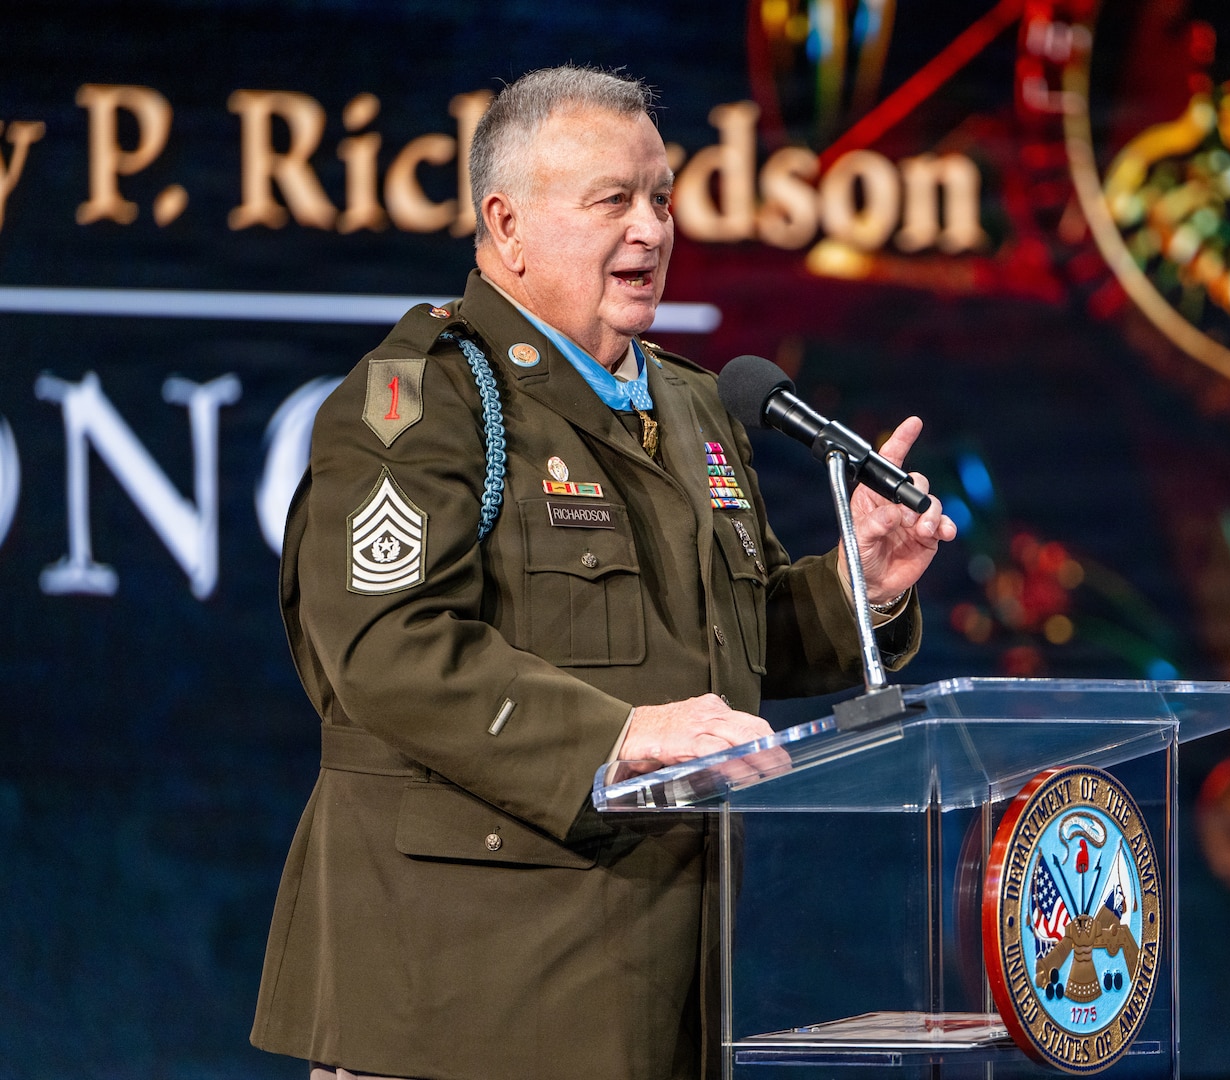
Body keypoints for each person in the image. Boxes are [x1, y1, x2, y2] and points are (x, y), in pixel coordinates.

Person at [249, 66, 955, 1080]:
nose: (652, 229)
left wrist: (863, 586)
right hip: (455, 1006)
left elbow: (720, 650)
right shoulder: (416, 399)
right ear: (507, 224)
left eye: (662, 197)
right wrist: (621, 737)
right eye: (613, 200)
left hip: (654, 989)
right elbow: (384, 647)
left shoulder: (695, 405)